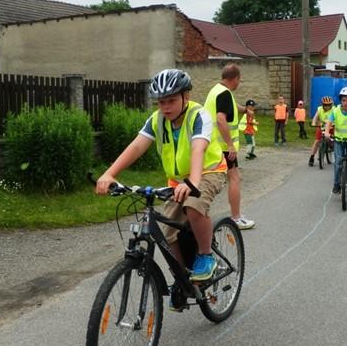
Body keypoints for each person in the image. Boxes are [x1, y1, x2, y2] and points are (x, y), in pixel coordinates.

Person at [95, 69, 227, 287]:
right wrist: (110, 173)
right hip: (177, 181)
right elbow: (137, 146)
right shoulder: (157, 120)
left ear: (187, 96)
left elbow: (198, 149)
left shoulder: (199, 115)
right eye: (161, 102)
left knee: (194, 205)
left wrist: (193, 182)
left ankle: (205, 256)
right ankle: (182, 277)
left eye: (172, 101)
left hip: (207, 172)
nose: (165, 107)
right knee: (167, 232)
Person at [204, 64, 255, 230]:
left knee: (204, 180)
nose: (239, 83)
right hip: (222, 147)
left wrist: (245, 110)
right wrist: (230, 145)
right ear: (236, 79)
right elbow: (220, 119)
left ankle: (197, 215)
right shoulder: (225, 94)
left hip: (211, 145)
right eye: (240, 80)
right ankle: (236, 217)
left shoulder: (218, 90)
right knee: (234, 178)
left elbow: (232, 106)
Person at [308, 95, 334, 166]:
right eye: (325, 105)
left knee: (334, 139)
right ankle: (312, 157)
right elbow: (315, 117)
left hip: (332, 126)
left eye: (329, 105)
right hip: (322, 126)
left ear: (331, 105)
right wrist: (313, 123)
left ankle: (332, 145)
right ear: (322, 105)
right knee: (317, 141)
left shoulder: (334, 110)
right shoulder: (319, 109)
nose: (327, 106)